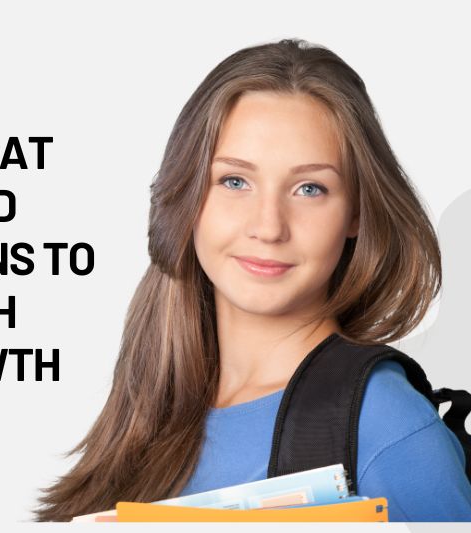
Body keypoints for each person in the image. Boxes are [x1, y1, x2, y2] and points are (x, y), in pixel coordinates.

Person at [32, 38, 471, 522]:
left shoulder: (387, 427)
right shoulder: (149, 399)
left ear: (357, 214)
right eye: (234, 181)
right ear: (187, 194)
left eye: (310, 188)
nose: (268, 227)